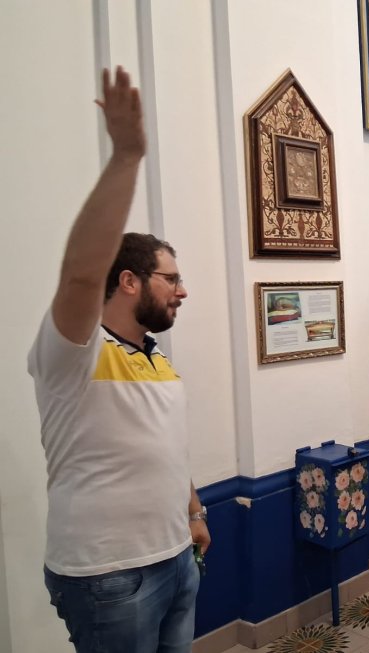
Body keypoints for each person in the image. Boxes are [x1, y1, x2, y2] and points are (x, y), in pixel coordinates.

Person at [28, 67, 209, 653]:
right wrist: (127, 156)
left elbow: (165, 447)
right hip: (109, 577)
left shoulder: (158, 361)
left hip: (177, 556)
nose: (182, 291)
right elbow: (81, 272)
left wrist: (194, 512)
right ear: (129, 281)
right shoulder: (75, 352)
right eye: (171, 279)